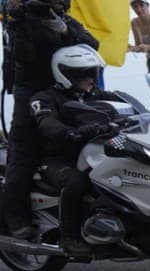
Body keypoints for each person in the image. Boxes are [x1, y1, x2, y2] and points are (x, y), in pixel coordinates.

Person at [0, 0, 99, 241]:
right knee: (23, 153)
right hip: (31, 94)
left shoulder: (64, 21)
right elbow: (25, 56)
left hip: (66, 91)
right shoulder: (23, 21)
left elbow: (93, 45)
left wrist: (64, 30)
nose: (56, 4)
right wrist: (21, 22)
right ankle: (16, 219)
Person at [30, 44, 120, 255]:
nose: (92, 79)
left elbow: (124, 105)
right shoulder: (44, 98)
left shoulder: (94, 95)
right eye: (85, 74)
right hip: (55, 158)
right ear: (67, 75)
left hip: (88, 155)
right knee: (75, 181)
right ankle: (69, 237)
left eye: (93, 73)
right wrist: (71, 133)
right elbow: (46, 122)